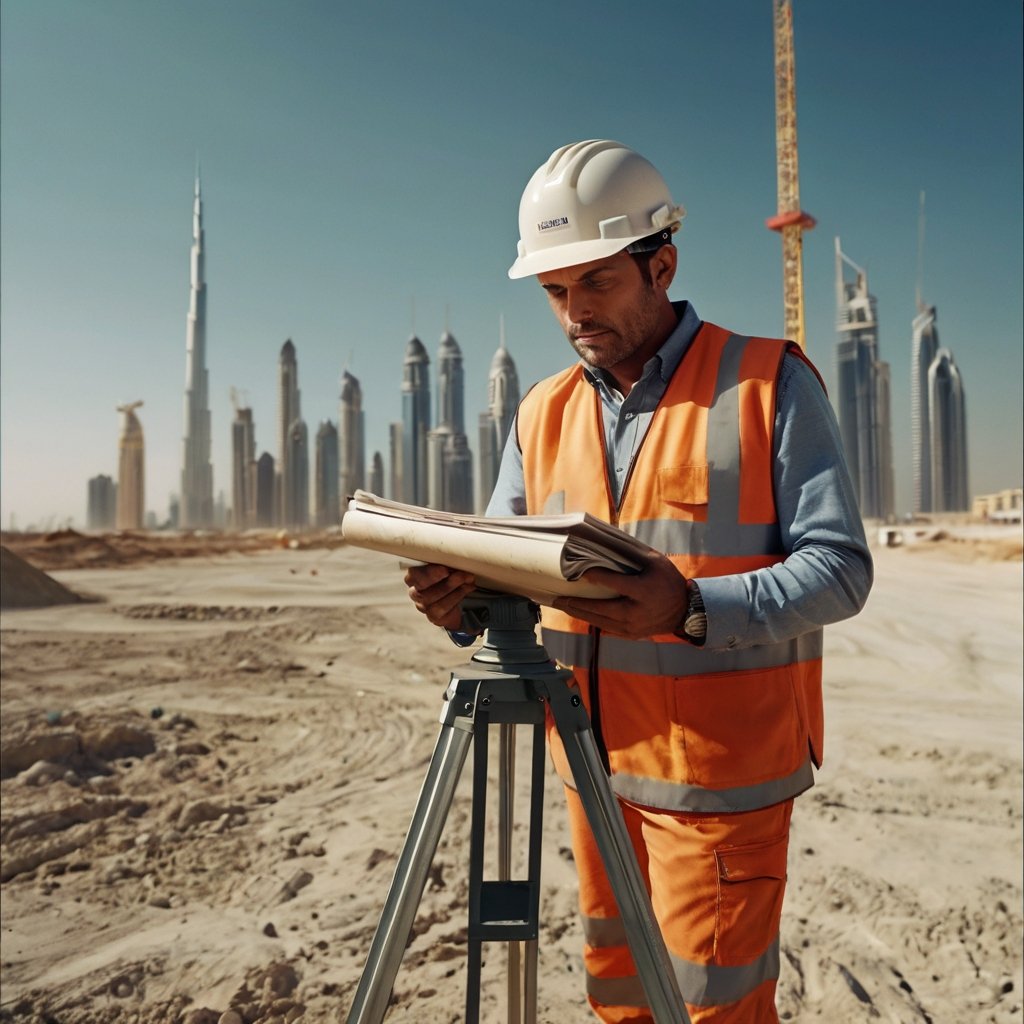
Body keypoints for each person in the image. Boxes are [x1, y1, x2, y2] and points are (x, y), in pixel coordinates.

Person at [405, 139, 872, 1023]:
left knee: (713, 1011)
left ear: (662, 264)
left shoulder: (768, 382)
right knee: (618, 1001)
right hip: (591, 770)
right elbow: (513, 564)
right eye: (554, 292)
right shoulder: (541, 411)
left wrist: (691, 607)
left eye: (597, 283)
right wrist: (465, 604)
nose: (575, 312)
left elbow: (840, 569)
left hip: (718, 786)